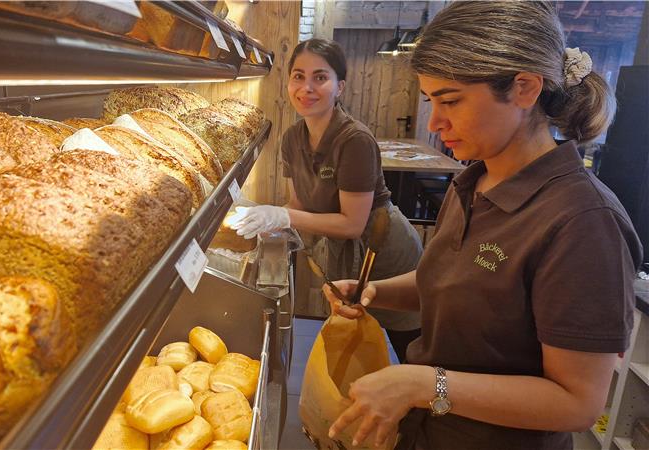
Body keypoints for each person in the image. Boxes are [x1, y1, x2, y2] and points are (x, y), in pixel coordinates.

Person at [323, 2, 644, 450]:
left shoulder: (584, 223)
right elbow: (457, 282)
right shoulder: (472, 182)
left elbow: (577, 403)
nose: (435, 123)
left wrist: (423, 385)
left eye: (451, 101)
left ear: (525, 88)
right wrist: (374, 291)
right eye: (431, 102)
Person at [228, 38, 423, 363]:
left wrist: (283, 217)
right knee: (356, 345)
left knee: (410, 348)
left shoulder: (354, 140)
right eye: (298, 76)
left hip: (382, 253)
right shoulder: (293, 139)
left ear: (340, 86)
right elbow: (299, 205)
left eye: (320, 77)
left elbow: (352, 224)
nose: (307, 88)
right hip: (342, 257)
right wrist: (265, 222)